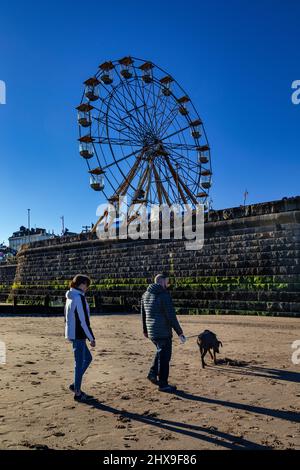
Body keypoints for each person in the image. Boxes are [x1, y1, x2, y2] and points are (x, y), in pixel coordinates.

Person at [141, 274, 185, 392]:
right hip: (163, 332)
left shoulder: (145, 294)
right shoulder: (164, 295)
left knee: (160, 353)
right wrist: (179, 333)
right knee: (165, 358)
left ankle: (152, 374)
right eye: (167, 282)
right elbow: (171, 316)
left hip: (152, 332)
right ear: (162, 282)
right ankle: (163, 384)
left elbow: (143, 314)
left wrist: (145, 330)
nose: (168, 284)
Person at [65, 274, 96, 402]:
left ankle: (75, 385)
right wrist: (91, 337)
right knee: (79, 363)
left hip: (73, 333)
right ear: (82, 284)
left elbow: (67, 317)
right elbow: (83, 321)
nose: (87, 288)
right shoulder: (79, 298)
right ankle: (77, 392)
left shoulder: (70, 296)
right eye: (87, 285)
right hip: (79, 334)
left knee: (87, 358)